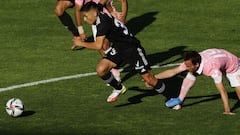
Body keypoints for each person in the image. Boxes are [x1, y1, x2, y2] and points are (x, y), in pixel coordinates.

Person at [72, 1, 165, 103]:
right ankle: (118, 88)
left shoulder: (103, 23)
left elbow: (98, 45)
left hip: (131, 49)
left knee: (149, 80)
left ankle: (172, 96)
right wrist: (112, 11)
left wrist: (81, 43)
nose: (85, 20)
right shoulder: (98, 10)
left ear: (94, 14)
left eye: (85, 16)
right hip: (119, 48)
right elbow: (101, 2)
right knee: (101, 69)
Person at [154, 48, 240, 115]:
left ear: (197, 64)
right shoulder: (191, 61)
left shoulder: (212, 70)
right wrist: (154, 77)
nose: (186, 67)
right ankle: (180, 99)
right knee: (191, 73)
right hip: (217, 57)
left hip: (232, 65)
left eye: (188, 66)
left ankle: (180, 99)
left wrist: (227, 110)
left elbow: (222, 90)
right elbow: (173, 71)